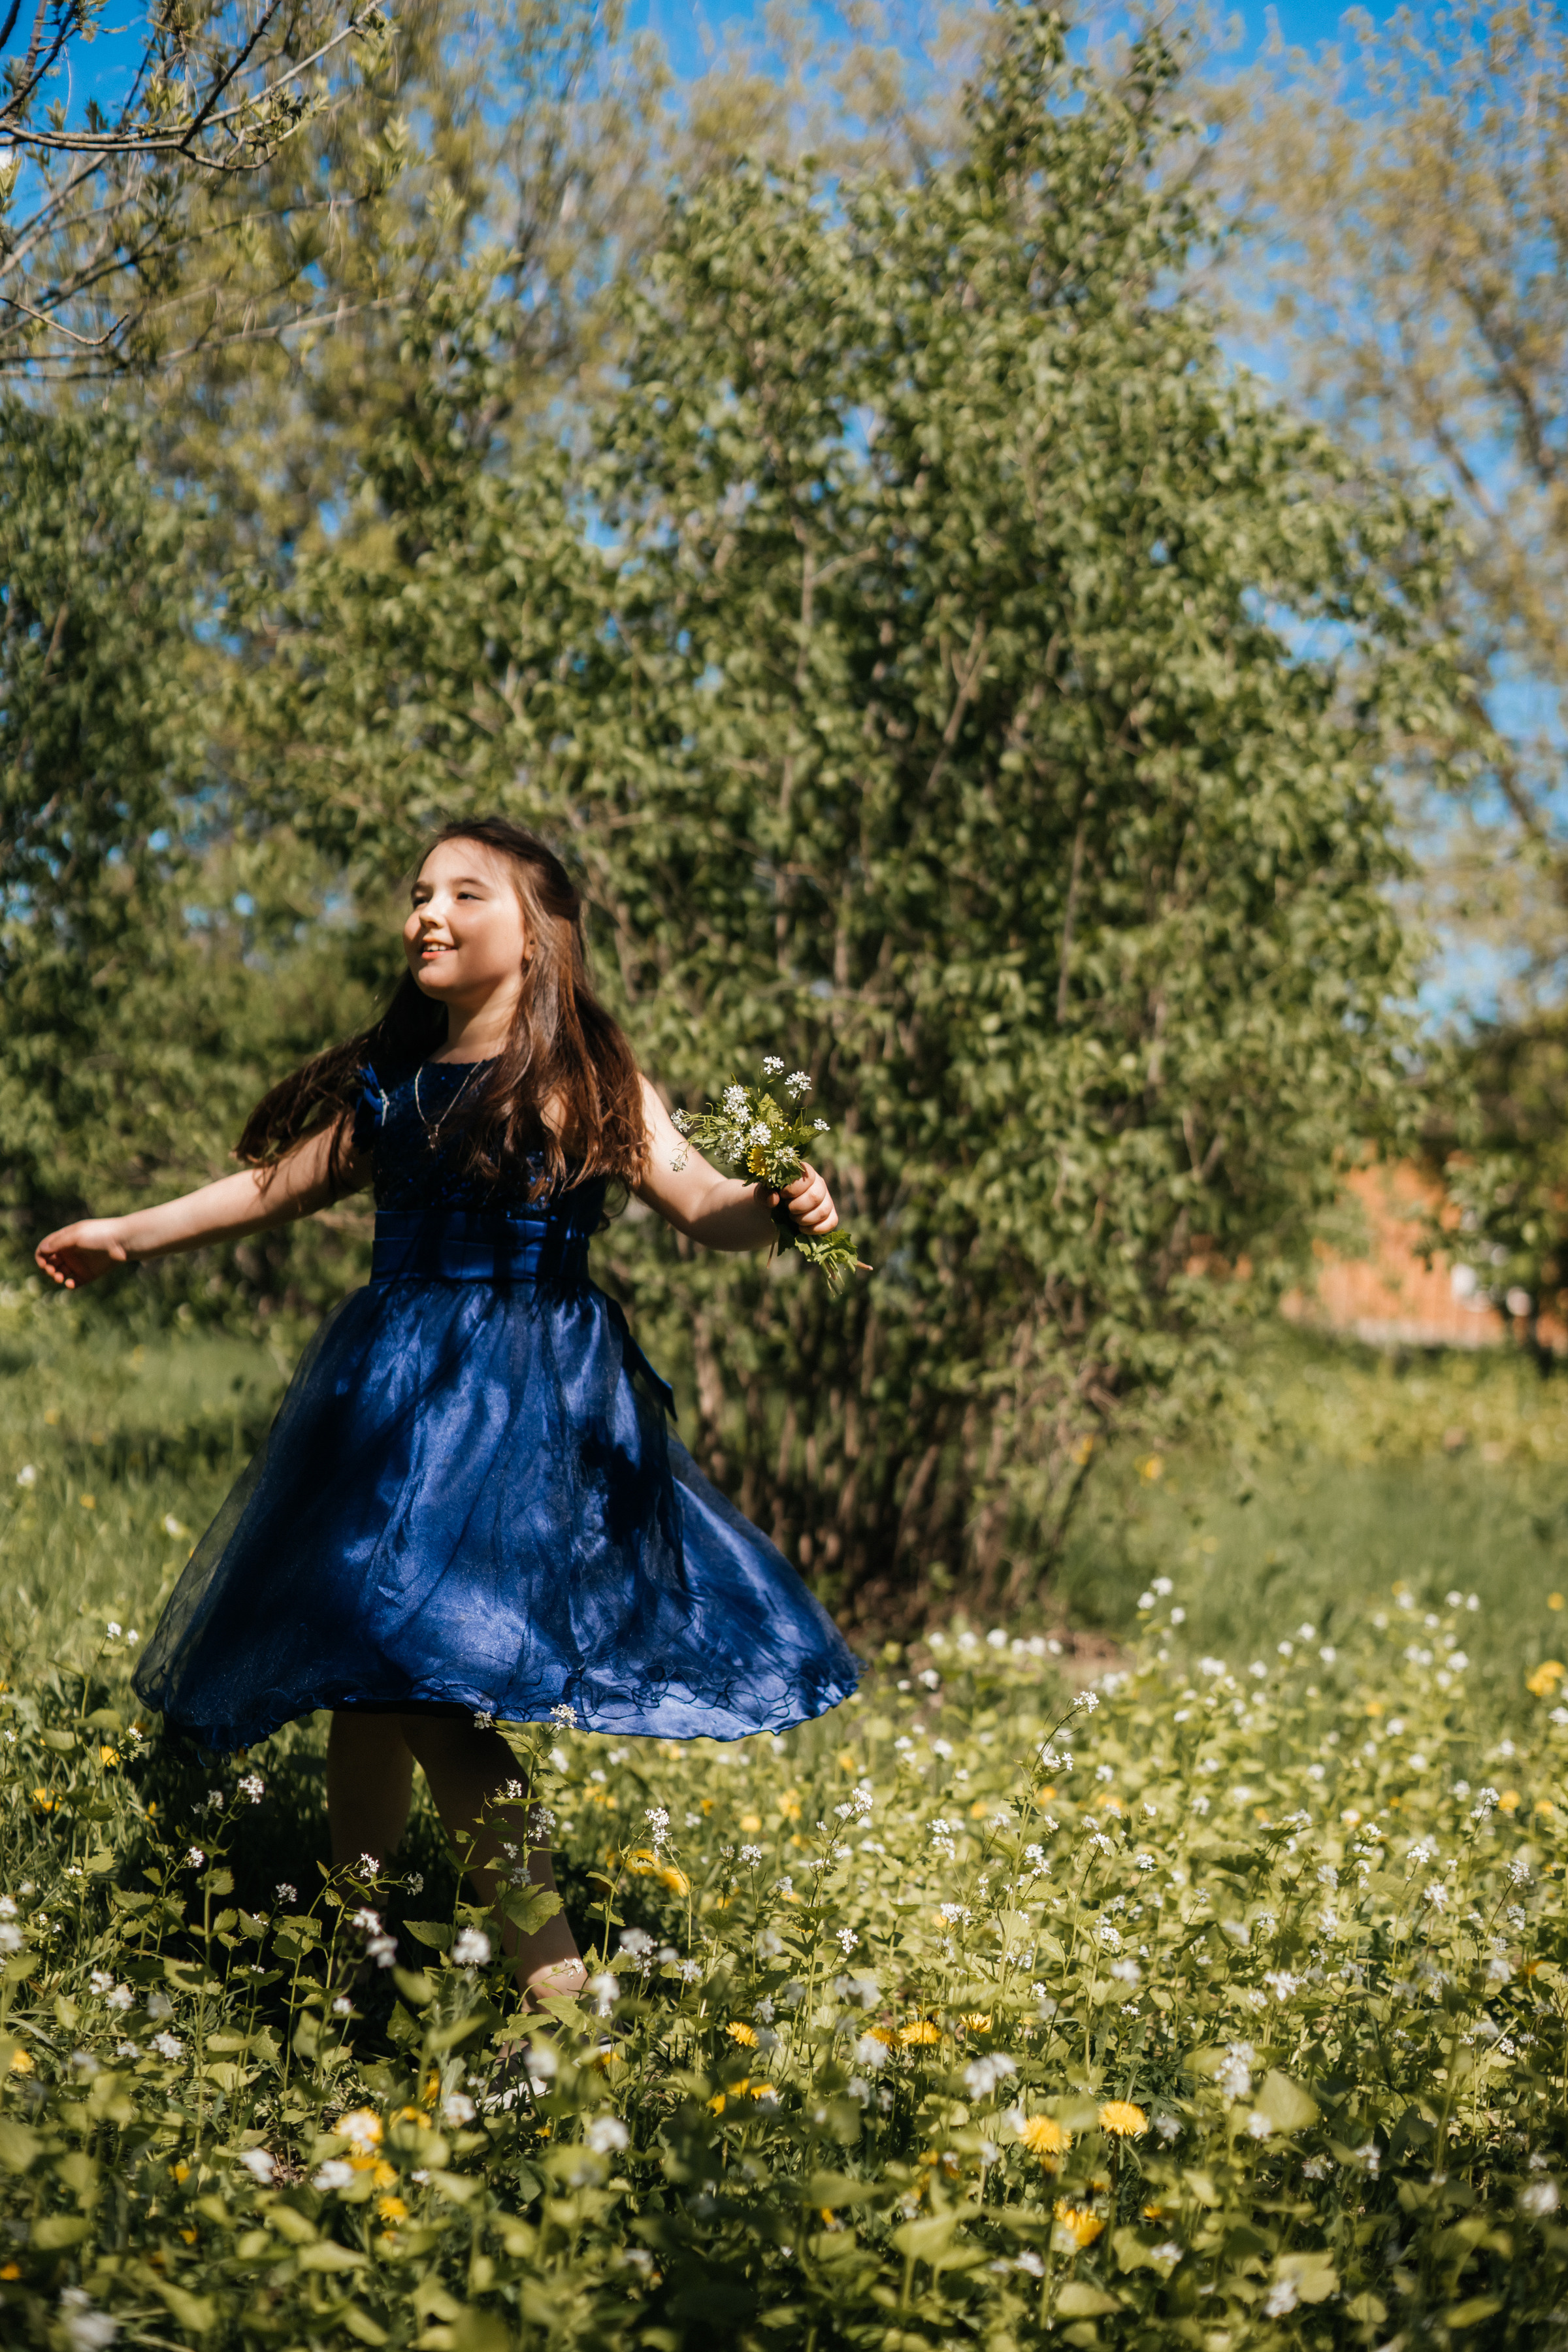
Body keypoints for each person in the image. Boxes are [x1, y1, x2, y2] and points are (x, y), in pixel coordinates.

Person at [35, 817, 860, 2008]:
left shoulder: (584, 1079)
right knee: (369, 1685)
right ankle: (356, 1965)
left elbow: (701, 1201)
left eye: (465, 894)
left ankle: (557, 1993)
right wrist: (128, 1233)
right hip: (385, 1410)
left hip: (516, 1416)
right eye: (420, 892)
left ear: (537, 935)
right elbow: (273, 1188)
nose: (427, 912)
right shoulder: (399, 1086)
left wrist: (780, 1204)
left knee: (429, 1694)